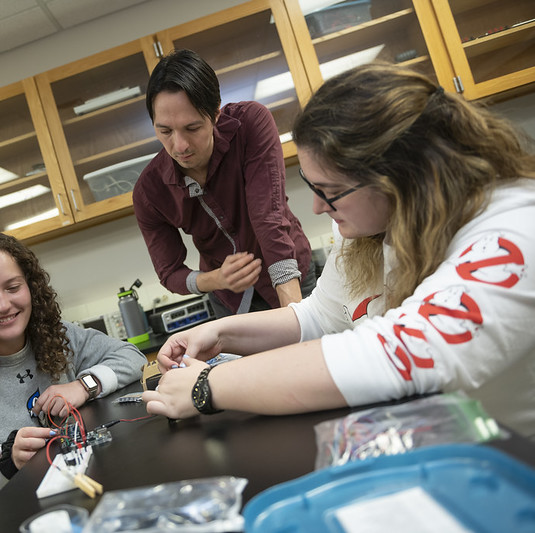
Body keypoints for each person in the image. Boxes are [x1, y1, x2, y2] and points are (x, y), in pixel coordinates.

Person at [142, 62, 535, 440]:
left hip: (514, 462)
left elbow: (390, 353)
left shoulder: (511, 234)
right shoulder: (376, 229)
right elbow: (319, 316)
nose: (316, 208)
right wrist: (220, 333)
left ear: (400, 176)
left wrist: (209, 386)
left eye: (329, 192)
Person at [0, 229, 146, 531]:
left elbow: (131, 357)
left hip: (69, 501)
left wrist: (83, 386)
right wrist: (5, 463)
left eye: (12, 287)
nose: (3, 305)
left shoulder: (56, 336)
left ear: (31, 287)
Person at [133, 48, 315, 317]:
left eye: (192, 128)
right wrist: (217, 279)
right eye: (165, 131)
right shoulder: (149, 192)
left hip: (292, 275)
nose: (180, 145)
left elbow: (268, 219)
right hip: (231, 301)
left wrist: (295, 316)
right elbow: (170, 272)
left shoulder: (251, 124)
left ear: (215, 114)